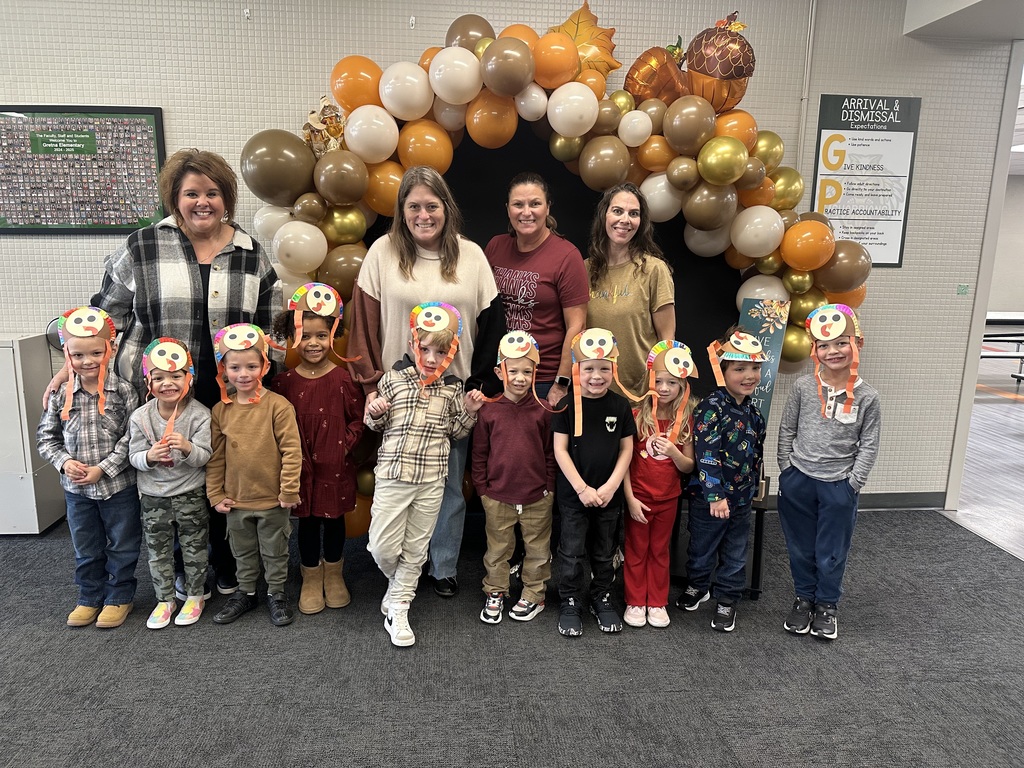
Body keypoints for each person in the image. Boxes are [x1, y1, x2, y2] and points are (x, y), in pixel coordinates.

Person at [45, 148, 280, 597]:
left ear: (226, 198)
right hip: (161, 392)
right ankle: (181, 568)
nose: (202, 202)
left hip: (231, 388)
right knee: (167, 478)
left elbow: (268, 324)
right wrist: (68, 368)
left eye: (213, 192)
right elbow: (102, 316)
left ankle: (228, 564)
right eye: (191, 193)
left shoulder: (251, 252)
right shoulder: (142, 245)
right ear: (175, 198)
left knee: (223, 473)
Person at [349, 166, 505, 598]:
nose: (423, 215)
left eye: (431, 206)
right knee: (399, 483)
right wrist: (370, 387)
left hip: (452, 393)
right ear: (402, 210)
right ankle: (401, 566)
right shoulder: (382, 252)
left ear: (446, 208)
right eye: (413, 206)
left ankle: (443, 565)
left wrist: (480, 384)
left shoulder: (471, 256)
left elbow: (491, 325)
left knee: (448, 485)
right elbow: (362, 327)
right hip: (398, 392)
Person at [364, 303, 484, 647]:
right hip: (393, 476)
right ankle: (398, 583)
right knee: (382, 546)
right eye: (426, 349)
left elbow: (456, 432)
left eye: (441, 351)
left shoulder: (452, 389)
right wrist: (374, 411)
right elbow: (375, 423)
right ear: (414, 343)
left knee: (416, 549)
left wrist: (470, 413)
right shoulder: (393, 379)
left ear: (451, 352)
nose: (432, 358)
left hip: (431, 480)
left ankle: (399, 606)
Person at [777, 304, 881, 641]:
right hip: (799, 480)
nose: (832, 351)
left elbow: (869, 443)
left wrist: (854, 483)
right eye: (824, 345)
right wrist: (786, 469)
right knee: (800, 546)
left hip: (839, 485)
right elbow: (786, 429)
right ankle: (804, 598)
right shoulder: (803, 388)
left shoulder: (868, 396)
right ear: (814, 350)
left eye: (841, 342)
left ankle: (827, 605)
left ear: (857, 344)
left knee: (832, 548)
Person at [37, 306, 141, 629]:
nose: (88, 361)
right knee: (86, 545)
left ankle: (119, 596)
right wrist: (65, 462)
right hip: (76, 491)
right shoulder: (59, 395)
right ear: (67, 354)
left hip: (117, 486)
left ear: (109, 349)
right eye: (79, 355)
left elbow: (132, 437)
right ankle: (89, 596)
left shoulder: (123, 391)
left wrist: (104, 469)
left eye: (96, 352)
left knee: (123, 542)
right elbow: (46, 438)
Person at [270, 284, 365, 615]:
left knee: (335, 520)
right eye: (306, 336)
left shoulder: (343, 381)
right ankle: (310, 577)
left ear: (332, 336)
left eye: (321, 336)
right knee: (307, 522)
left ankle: (334, 574)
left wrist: (342, 447)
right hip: (301, 469)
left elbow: (358, 421)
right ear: (294, 336)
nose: (313, 343)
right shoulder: (283, 384)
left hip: (335, 467)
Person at [206, 324, 301, 627]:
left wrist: (288, 491)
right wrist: (215, 494)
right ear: (225, 369)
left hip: (272, 499)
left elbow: (291, 452)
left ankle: (276, 593)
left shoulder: (278, 406)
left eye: (251, 366)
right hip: (236, 499)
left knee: (275, 551)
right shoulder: (221, 410)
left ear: (265, 366)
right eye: (235, 367)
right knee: (242, 552)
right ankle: (246, 592)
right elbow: (215, 457)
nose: (243, 373)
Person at [677, 328, 766, 633]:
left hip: (740, 499)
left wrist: (753, 487)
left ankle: (727, 598)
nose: (749, 375)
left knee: (735, 552)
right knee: (701, 548)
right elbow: (706, 454)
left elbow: (756, 455)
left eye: (755, 368)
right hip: (708, 500)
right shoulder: (709, 409)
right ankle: (698, 586)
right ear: (723, 370)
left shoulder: (755, 414)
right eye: (740, 369)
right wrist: (715, 495)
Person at [551, 329, 636, 637]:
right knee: (571, 551)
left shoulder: (620, 406)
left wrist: (611, 486)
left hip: (608, 496)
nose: (596, 376)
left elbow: (627, 448)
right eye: (588, 368)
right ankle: (570, 599)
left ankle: (601, 595)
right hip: (575, 497)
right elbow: (559, 449)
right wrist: (582, 488)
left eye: (604, 368)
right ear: (577, 369)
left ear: (613, 369)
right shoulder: (566, 405)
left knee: (604, 551)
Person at [128, 338, 213, 629]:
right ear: (148, 381)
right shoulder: (140, 416)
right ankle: (164, 600)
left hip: (190, 493)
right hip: (153, 497)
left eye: (176, 376)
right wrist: (149, 456)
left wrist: (188, 448)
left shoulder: (200, 414)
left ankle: (195, 595)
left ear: (189, 377)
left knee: (195, 548)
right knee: (158, 551)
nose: (168, 383)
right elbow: (133, 457)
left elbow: (205, 457)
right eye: (159, 377)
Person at [484, 171, 590, 406]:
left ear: (548, 208)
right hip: (501, 376)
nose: (526, 212)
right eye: (518, 204)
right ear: (507, 208)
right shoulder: (495, 247)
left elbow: (577, 325)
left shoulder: (567, 256)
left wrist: (561, 383)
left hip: (543, 379)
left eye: (535, 204)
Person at [472, 332, 556, 625]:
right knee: (497, 549)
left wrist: (549, 489)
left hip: (537, 498)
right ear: (499, 372)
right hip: (497, 497)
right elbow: (479, 454)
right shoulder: (489, 411)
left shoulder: (543, 411)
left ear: (535, 373)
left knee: (537, 550)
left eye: (527, 372)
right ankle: (495, 591)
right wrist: (482, 490)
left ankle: (534, 593)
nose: (520, 378)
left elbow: (549, 453)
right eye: (513, 371)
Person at [622, 341, 697, 629]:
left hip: (668, 498)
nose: (664, 388)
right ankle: (635, 600)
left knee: (660, 550)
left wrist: (674, 452)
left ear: (682, 385)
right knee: (636, 548)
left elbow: (689, 466)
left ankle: (656, 601)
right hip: (638, 497)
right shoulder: (636, 415)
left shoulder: (686, 418)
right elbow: (625, 462)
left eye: (672, 382)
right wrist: (629, 498)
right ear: (649, 380)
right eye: (659, 381)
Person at [586, 181, 676, 394]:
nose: (625, 220)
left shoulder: (654, 270)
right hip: (593, 392)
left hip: (640, 394)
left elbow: (667, 340)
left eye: (634, 214)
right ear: (604, 216)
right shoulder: (584, 269)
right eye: (617, 211)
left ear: (641, 222)